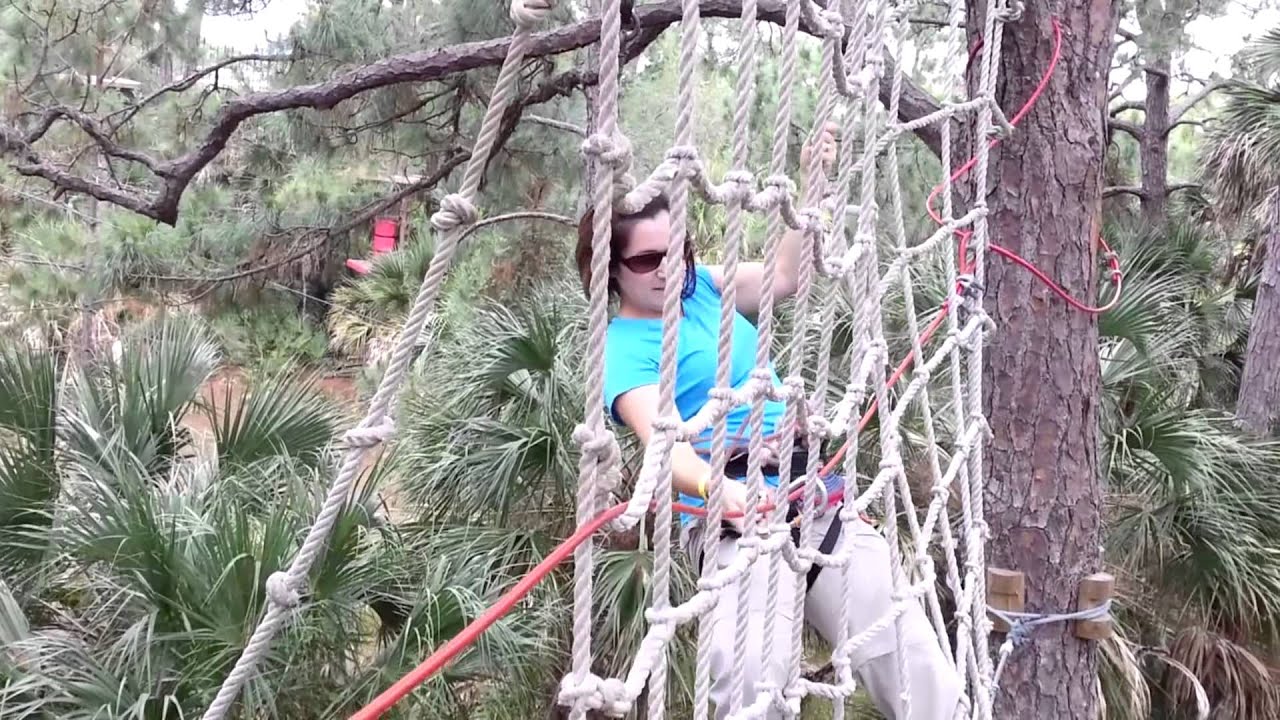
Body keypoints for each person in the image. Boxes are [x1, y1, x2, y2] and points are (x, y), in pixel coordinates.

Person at [572, 123, 962, 719]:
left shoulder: (700, 290)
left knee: (911, 657)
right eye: (649, 259)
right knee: (752, 688)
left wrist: (813, 184)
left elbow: (784, 277)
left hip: (813, 496)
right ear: (609, 268)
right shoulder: (623, 346)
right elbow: (660, 444)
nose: (666, 269)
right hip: (733, 517)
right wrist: (718, 487)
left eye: (677, 251)